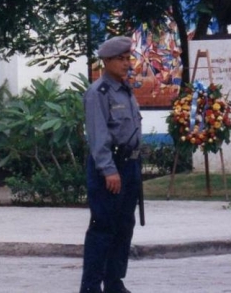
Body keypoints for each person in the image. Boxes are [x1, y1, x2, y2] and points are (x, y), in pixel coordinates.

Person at [80, 36, 143, 293]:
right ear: (106, 62)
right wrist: (109, 170)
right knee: (103, 228)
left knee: (124, 226)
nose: (127, 63)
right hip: (110, 168)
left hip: (129, 166)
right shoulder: (99, 93)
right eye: (121, 59)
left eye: (128, 58)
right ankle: (91, 287)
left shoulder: (125, 90)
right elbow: (98, 135)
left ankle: (114, 282)